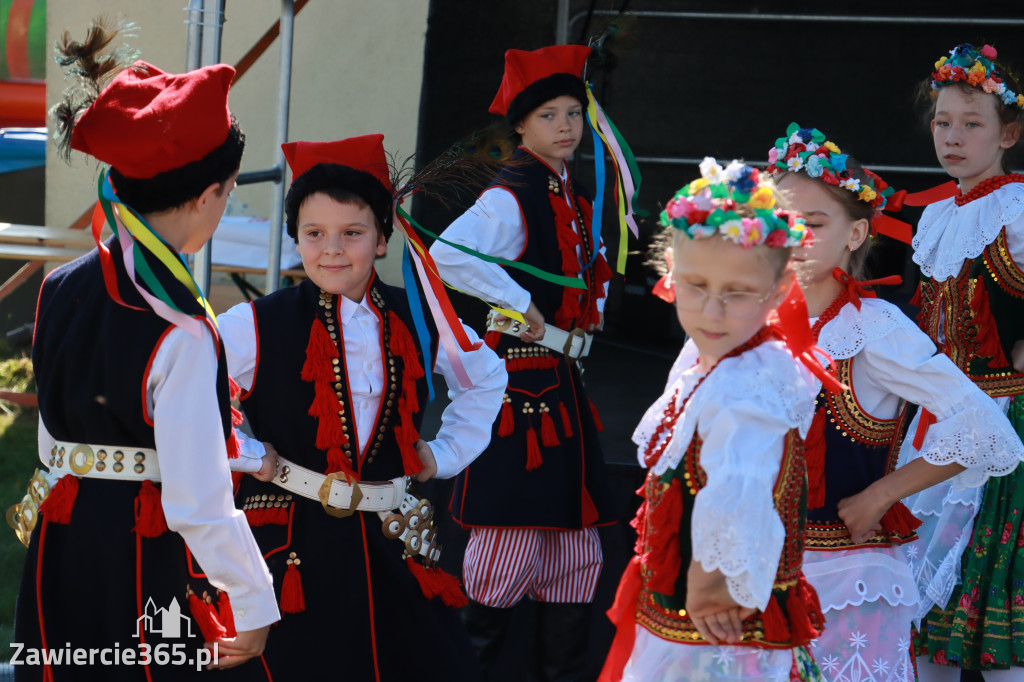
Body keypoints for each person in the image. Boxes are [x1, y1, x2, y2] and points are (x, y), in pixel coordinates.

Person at [14, 20, 279, 681]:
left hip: (64, 534)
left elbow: (52, 436)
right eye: (229, 190)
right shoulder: (180, 330)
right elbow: (199, 499)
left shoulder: (60, 286)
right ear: (206, 195)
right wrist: (251, 599)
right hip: (140, 546)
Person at [216, 134, 507, 681]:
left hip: (395, 542)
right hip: (294, 547)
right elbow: (178, 398)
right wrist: (252, 455)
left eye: (352, 233)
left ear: (381, 239)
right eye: (314, 233)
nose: (332, 249)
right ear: (296, 239)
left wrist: (443, 455)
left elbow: (486, 376)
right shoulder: (255, 324)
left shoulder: (418, 318)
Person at [768, 123, 1024, 682]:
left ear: (856, 232)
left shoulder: (871, 328)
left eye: (814, 224)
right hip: (764, 578)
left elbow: (986, 430)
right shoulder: (755, 325)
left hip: (845, 580)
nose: (796, 238)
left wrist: (881, 495)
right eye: (782, 223)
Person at [428, 44, 620, 680]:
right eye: (548, 115)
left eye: (573, 113)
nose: (565, 126)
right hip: (524, 388)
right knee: (507, 542)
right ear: (520, 125)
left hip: (560, 381)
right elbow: (448, 253)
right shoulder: (514, 192)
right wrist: (518, 301)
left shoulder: (568, 191)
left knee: (571, 552)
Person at [600, 159, 832, 682]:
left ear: (777, 293)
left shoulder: (741, 386)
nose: (711, 311)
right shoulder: (726, 357)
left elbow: (740, 488)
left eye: (737, 292)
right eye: (696, 285)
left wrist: (708, 589)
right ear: (669, 276)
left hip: (709, 630)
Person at [904, 43, 1024, 680]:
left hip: (1002, 419)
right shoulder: (938, 216)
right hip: (935, 418)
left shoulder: (1017, 209)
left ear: (1007, 133)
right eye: (943, 122)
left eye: (972, 123)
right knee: (925, 612)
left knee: (990, 587)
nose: (953, 136)